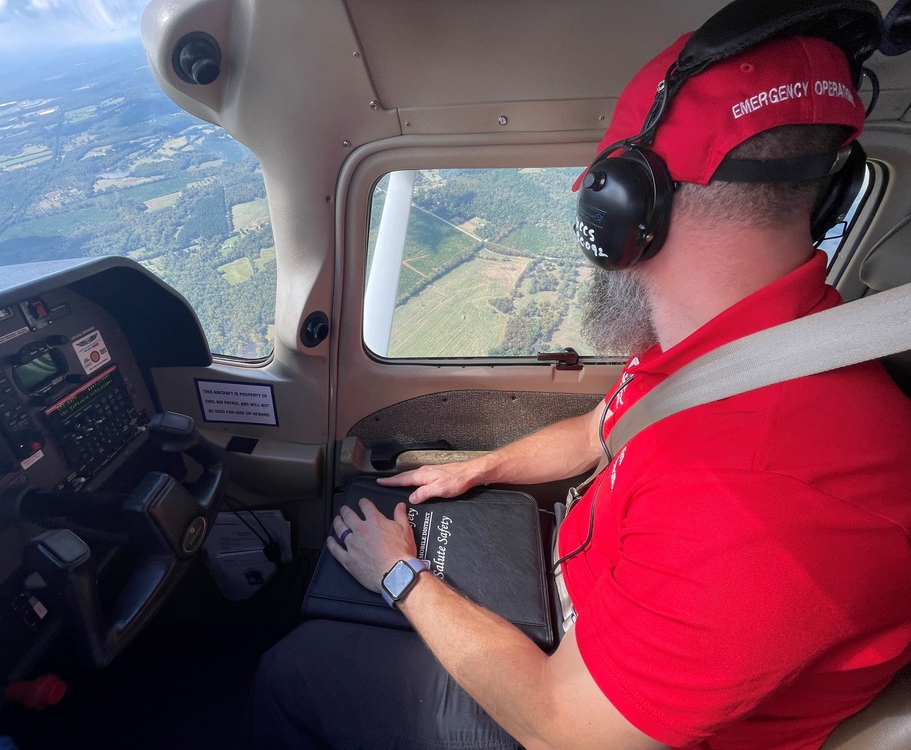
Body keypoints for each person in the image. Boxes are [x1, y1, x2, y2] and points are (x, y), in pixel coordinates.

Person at [247, 25, 911, 750]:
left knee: (297, 669)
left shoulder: (763, 498)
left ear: (623, 211)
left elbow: (563, 730)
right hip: (577, 611)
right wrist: (481, 467)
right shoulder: (739, 344)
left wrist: (401, 576)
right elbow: (605, 426)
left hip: (575, 707)